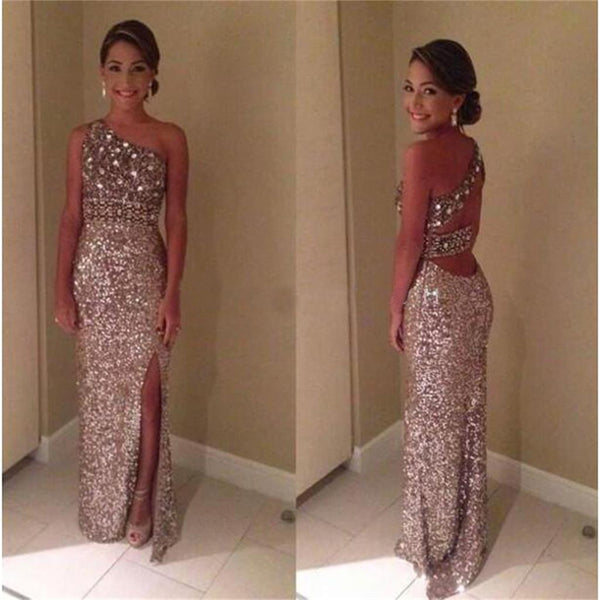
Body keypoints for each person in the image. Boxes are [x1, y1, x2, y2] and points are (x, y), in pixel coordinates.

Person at [53, 19, 188, 564]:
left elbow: (176, 219)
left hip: (145, 274)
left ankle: (142, 499)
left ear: (153, 74)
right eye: (115, 68)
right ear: (102, 74)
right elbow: (71, 216)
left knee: (148, 396)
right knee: (101, 397)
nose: (126, 80)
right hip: (93, 278)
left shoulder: (170, 137)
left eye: (137, 68)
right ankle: (102, 501)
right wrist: (61, 289)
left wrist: (173, 293)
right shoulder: (81, 138)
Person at [389, 39, 493, 599]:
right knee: (463, 420)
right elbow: (468, 228)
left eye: (429, 91)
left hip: (435, 299)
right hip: (473, 291)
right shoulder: (472, 151)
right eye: (409, 88)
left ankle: (436, 544)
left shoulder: (420, 156)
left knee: (433, 428)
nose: (414, 102)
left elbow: (410, 243)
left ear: (456, 98)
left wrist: (395, 306)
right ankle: (459, 532)